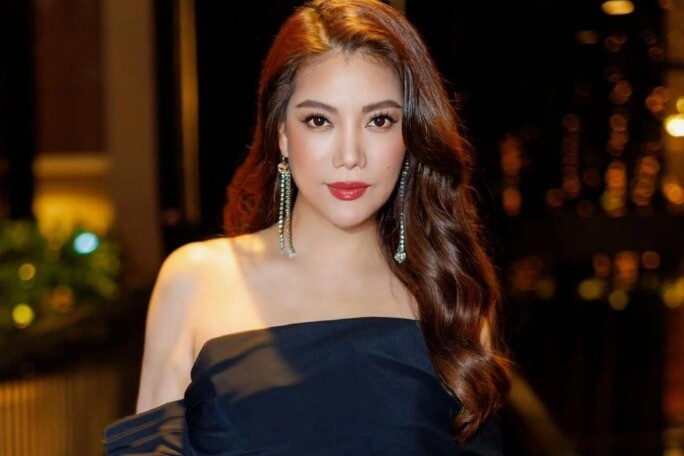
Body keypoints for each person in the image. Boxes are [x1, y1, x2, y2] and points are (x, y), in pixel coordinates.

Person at [103, 0, 512, 454]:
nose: (350, 155)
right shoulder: (198, 281)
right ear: (281, 132)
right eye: (319, 120)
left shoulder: (451, 302)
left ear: (411, 135)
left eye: (379, 120)